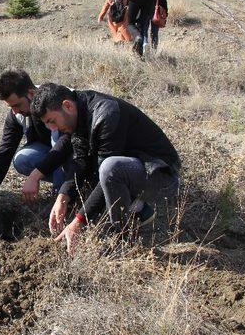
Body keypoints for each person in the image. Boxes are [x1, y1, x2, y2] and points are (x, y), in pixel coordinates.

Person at [31, 83, 181, 256]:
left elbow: (106, 176)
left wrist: (78, 222)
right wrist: (63, 197)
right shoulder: (79, 110)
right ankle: (135, 208)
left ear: (67, 106)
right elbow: (81, 162)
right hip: (135, 169)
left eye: (52, 121)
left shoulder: (106, 114)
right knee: (101, 172)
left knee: (110, 169)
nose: (52, 129)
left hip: (161, 176)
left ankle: (121, 237)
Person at [0, 69, 72, 203]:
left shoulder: (58, 102)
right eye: (11, 107)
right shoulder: (17, 114)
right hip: (50, 151)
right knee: (23, 159)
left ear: (32, 93)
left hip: (75, 153)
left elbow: (65, 146)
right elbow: (6, 149)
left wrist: (36, 175)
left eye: (17, 105)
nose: (15, 111)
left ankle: (63, 197)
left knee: (59, 145)